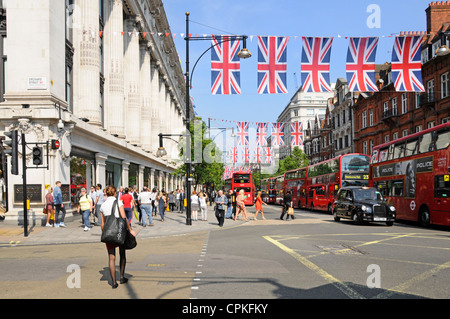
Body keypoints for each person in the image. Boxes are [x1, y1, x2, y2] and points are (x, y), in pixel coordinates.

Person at [100, 186, 136, 289]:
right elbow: (124, 218)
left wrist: (105, 233)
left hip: (108, 233)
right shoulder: (118, 203)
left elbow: (102, 223)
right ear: (115, 193)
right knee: (122, 255)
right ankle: (121, 277)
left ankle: (114, 282)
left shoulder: (103, 205)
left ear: (106, 193)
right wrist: (130, 230)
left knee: (111, 257)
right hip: (119, 232)